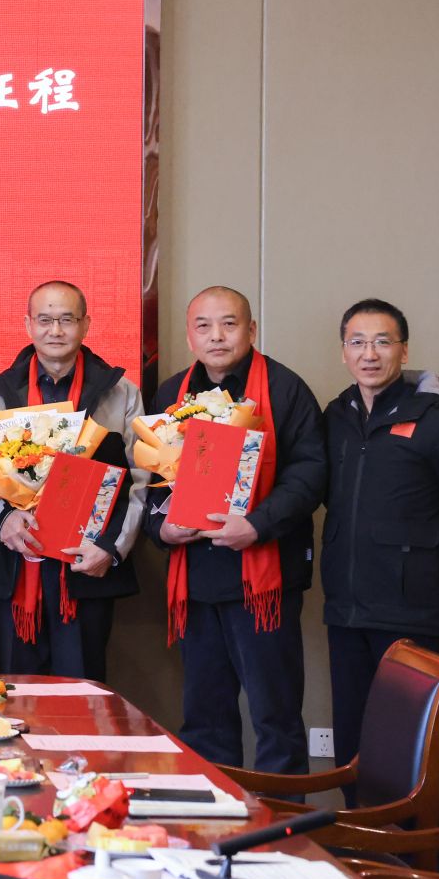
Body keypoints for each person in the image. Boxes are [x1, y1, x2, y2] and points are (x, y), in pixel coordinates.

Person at [323, 297, 439, 814]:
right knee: (353, 740)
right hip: (346, 609)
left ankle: (429, 851)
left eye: (382, 342)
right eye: (358, 342)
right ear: (343, 352)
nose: (370, 353)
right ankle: (364, 844)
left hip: (412, 610)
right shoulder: (336, 417)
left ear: (404, 351)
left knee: (421, 740)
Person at [142, 286, 327, 775]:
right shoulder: (171, 394)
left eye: (229, 323)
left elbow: (310, 474)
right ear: (190, 336)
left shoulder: (285, 390)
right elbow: (154, 478)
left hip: (262, 577)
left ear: (251, 330)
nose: (217, 336)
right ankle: (214, 816)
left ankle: (282, 821)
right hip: (196, 579)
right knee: (204, 718)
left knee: (275, 716)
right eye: (203, 326)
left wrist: (257, 525)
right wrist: (163, 528)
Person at [0, 280, 146, 682]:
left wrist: (111, 547)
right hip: (17, 561)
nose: (55, 330)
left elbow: (142, 479)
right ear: (28, 325)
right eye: (45, 320)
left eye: (67, 320)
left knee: (82, 688)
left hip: (87, 563)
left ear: (86, 324)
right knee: (18, 690)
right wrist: (2, 520)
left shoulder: (121, 393)